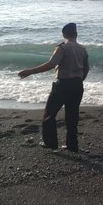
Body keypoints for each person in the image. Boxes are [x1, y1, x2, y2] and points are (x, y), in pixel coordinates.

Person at [18, 23, 89, 152]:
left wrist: (29, 71)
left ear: (63, 35)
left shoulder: (62, 48)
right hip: (77, 85)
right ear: (76, 34)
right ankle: (72, 145)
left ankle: (50, 143)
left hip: (63, 84)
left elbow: (51, 64)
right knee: (72, 116)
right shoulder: (82, 49)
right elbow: (86, 68)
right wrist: (79, 80)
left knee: (49, 114)